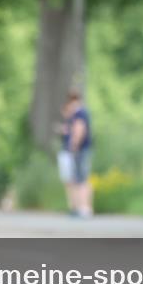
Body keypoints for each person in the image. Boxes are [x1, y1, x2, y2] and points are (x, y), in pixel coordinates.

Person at [58, 89, 94, 217]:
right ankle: (81, 208)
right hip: (81, 149)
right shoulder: (80, 113)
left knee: (82, 179)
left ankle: (84, 208)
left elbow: (79, 129)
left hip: (80, 150)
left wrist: (74, 145)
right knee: (79, 179)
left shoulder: (79, 113)